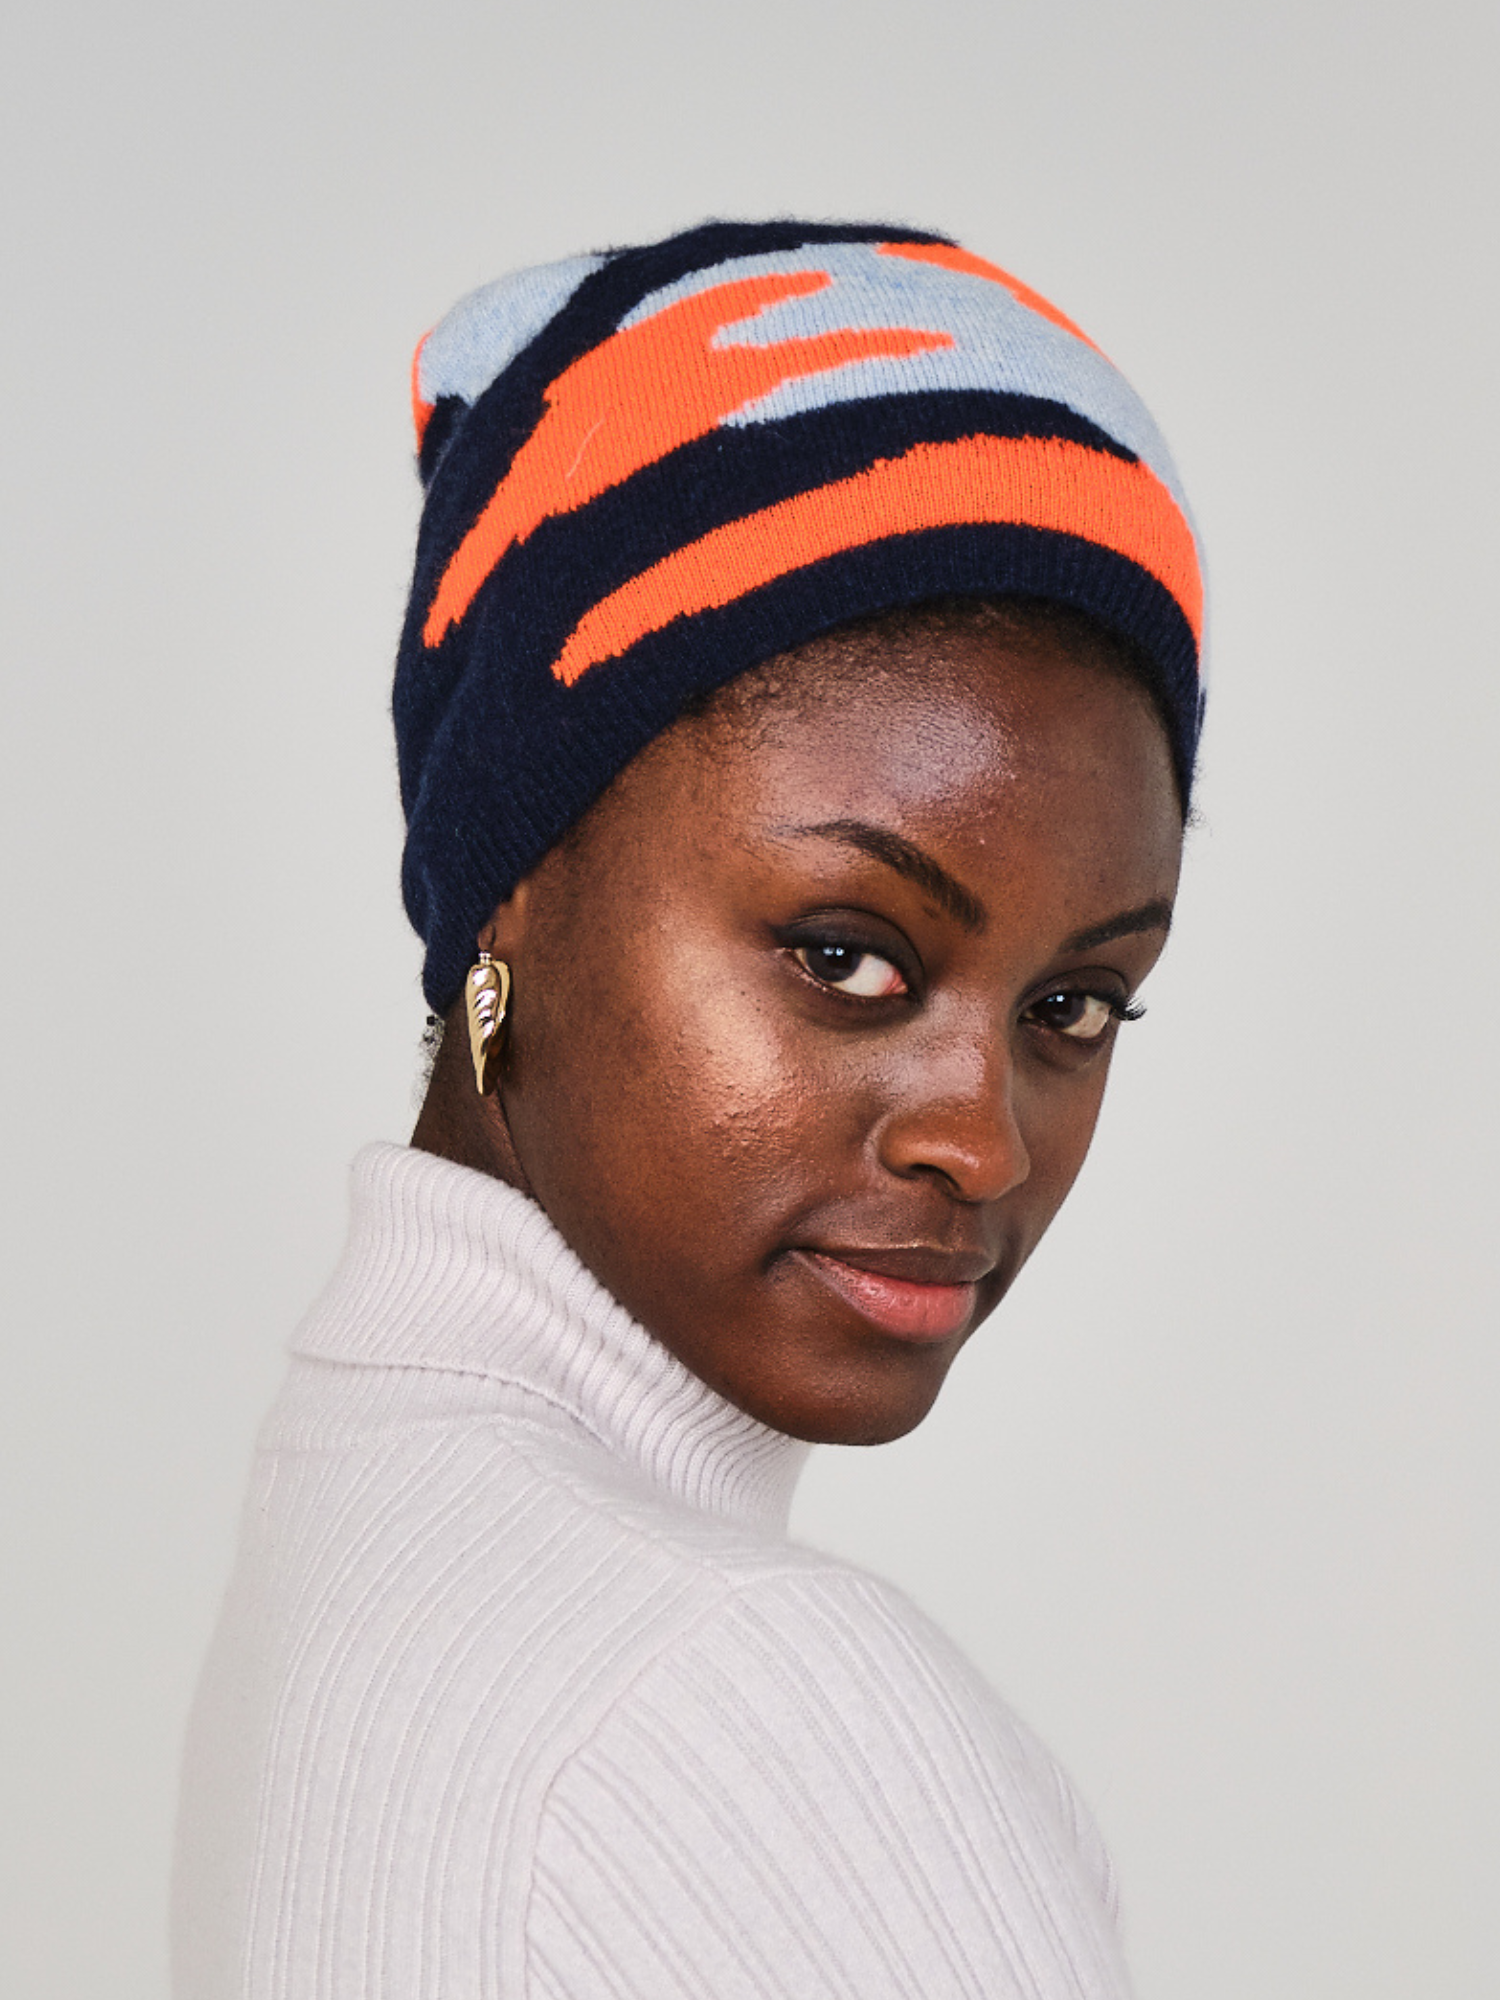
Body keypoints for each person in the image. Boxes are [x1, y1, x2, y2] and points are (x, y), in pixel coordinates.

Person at [172, 218, 1203, 1998]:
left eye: (1074, 1005)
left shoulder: (357, 1527)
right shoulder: (746, 1701)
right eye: (847, 957)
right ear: (513, 875)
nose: (987, 1139)